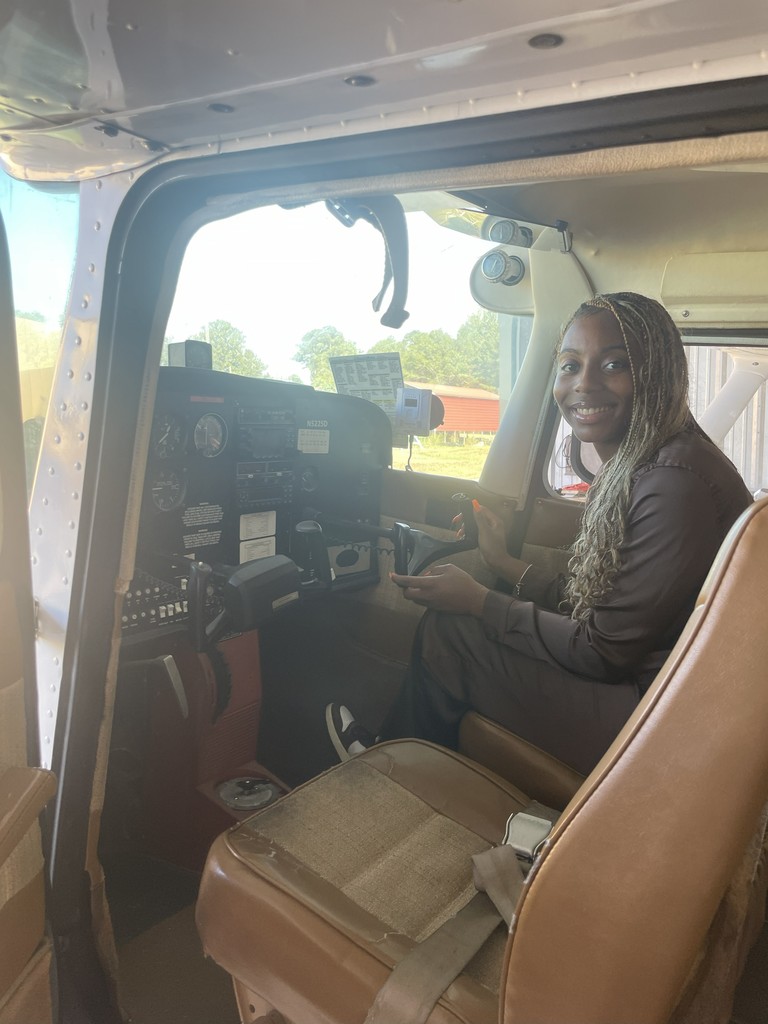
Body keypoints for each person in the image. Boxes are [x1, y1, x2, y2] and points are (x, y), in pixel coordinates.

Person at [326, 293, 753, 775]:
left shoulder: (676, 481)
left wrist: (479, 600)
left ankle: (391, 771)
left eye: (614, 364)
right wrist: (504, 566)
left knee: (453, 635)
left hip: (656, 716)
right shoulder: (655, 462)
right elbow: (609, 605)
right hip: (652, 687)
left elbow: (603, 651)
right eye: (570, 366)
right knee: (460, 626)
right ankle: (421, 765)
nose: (583, 384)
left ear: (657, 374)